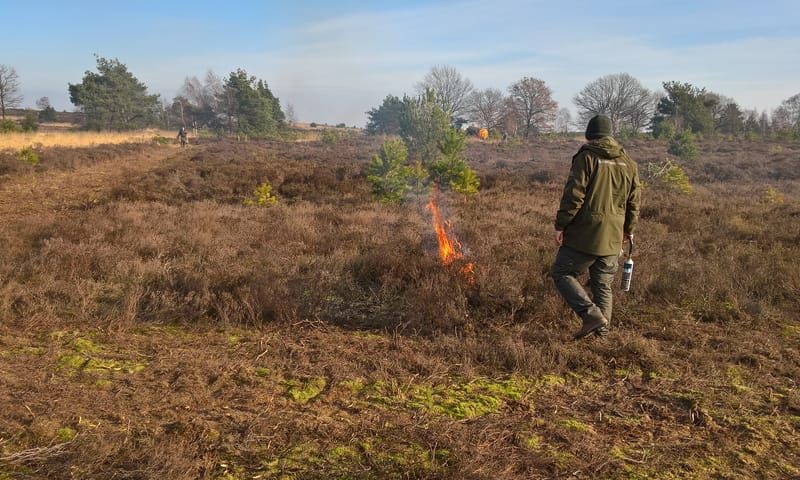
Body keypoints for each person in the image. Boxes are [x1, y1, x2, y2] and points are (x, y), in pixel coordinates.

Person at [551, 114, 641, 340]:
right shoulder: (628, 162)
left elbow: (574, 195)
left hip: (586, 233)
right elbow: (634, 202)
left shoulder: (587, 157)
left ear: (590, 135)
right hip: (614, 235)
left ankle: (590, 315)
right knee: (603, 285)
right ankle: (602, 338)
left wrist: (561, 225)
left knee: (562, 272)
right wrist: (628, 230)